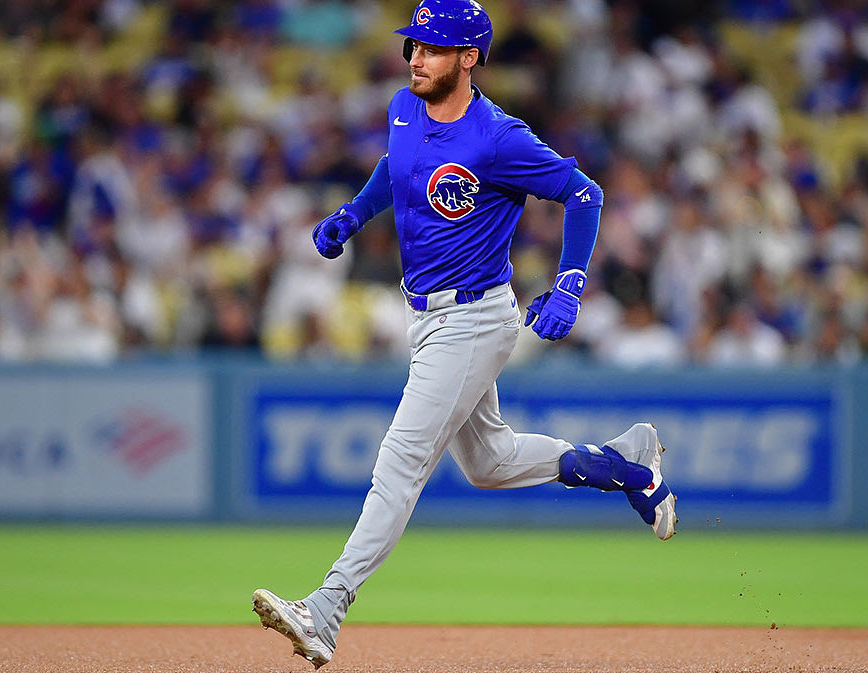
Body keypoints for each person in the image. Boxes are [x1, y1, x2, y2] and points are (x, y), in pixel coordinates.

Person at [252, 1, 677, 668]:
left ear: (469, 57)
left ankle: (326, 607)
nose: (416, 56)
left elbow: (585, 193)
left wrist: (569, 282)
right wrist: (356, 213)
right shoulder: (403, 107)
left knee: (399, 464)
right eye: (413, 44)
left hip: (474, 317)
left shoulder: (498, 136)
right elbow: (396, 168)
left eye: (433, 47)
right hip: (425, 317)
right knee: (489, 462)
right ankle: (625, 461)